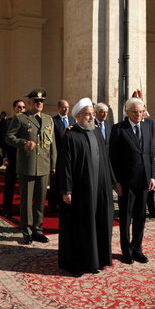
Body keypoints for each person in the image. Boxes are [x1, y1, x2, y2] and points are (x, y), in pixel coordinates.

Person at [57, 98, 115, 276]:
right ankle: (78, 263)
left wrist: (112, 181)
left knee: (99, 223)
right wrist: (66, 190)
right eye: (88, 114)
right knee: (81, 226)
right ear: (78, 116)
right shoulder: (70, 134)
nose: (92, 117)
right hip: (81, 190)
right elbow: (64, 165)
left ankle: (97, 260)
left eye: (92, 113)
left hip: (100, 188)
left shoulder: (97, 131)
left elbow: (105, 159)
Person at [5, 89, 56, 244]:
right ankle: (26, 230)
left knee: (40, 200)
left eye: (41, 101)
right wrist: (22, 143)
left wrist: (53, 164)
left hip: (43, 166)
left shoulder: (48, 120)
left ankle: (37, 229)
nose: (39, 103)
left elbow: (52, 144)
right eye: (36, 101)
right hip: (27, 165)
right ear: (30, 103)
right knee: (26, 201)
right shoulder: (20, 118)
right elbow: (8, 137)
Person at [109, 97, 155, 264]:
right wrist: (115, 182)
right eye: (135, 112)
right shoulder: (118, 129)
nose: (138, 115)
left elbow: (150, 153)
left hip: (144, 181)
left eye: (141, 111)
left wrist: (152, 176)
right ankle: (126, 250)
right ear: (127, 112)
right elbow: (112, 158)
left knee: (140, 217)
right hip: (126, 183)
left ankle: (137, 248)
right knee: (126, 218)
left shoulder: (149, 126)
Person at [49, 99, 76, 213]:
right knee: (55, 183)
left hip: (69, 157)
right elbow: (52, 142)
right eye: (64, 107)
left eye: (68, 107)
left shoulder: (72, 120)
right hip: (58, 157)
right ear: (59, 108)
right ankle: (53, 205)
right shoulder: (53, 121)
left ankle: (65, 203)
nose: (66, 109)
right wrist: (52, 163)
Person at [2, 99, 26, 217]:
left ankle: (23, 210)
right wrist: (5, 156)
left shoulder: (27, 122)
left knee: (24, 187)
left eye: (23, 107)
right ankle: (6, 209)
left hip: (24, 158)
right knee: (9, 185)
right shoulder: (8, 123)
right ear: (14, 108)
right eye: (19, 107)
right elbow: (4, 141)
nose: (21, 109)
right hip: (12, 157)